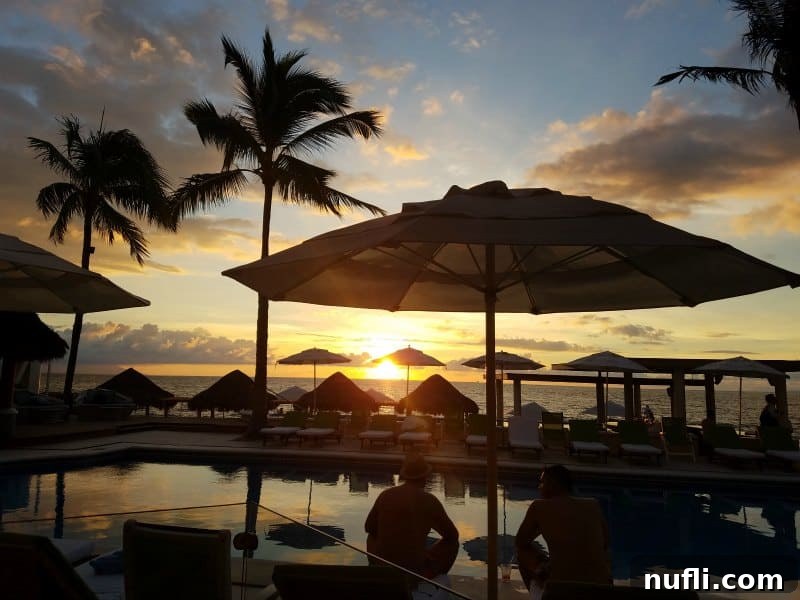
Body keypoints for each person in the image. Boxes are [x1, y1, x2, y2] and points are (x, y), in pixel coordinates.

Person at [515, 465, 611, 600]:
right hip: (602, 589)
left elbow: (520, 542)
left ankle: (537, 596)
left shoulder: (539, 507)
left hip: (561, 590)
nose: (539, 487)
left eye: (542, 482)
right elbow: (606, 543)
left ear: (553, 484)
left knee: (523, 554)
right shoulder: (593, 505)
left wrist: (541, 529)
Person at [364, 453, 459, 587]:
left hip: (385, 568)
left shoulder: (386, 495)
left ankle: (377, 571)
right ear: (425, 477)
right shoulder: (429, 501)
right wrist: (429, 552)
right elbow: (452, 536)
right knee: (453, 544)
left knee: (371, 537)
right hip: (413, 572)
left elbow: (369, 528)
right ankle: (425, 578)